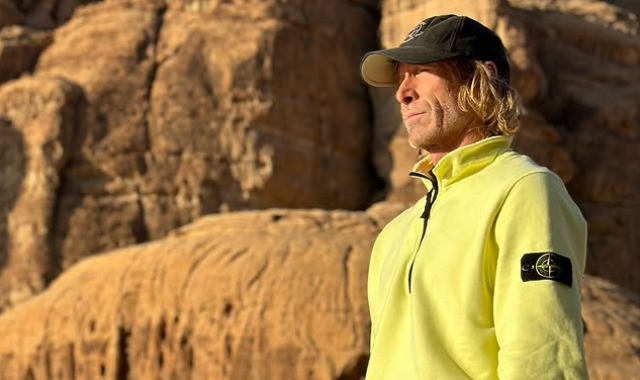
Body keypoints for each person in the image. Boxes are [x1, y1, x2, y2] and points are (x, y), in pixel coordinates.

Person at [360, 14, 588, 380]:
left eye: (421, 70)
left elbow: (544, 360)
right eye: (400, 76)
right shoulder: (394, 233)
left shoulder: (524, 189)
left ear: (481, 78)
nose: (403, 91)